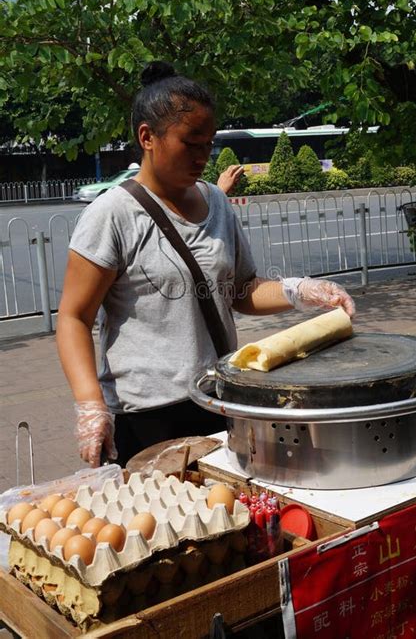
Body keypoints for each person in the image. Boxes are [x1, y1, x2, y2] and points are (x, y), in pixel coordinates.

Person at [56, 61, 355, 469]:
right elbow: (74, 316)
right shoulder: (112, 215)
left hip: (218, 397)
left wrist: (300, 291)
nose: (203, 156)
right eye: (190, 143)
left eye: (208, 144)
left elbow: (242, 291)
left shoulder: (217, 201)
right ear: (148, 137)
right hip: (146, 414)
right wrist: (91, 407)